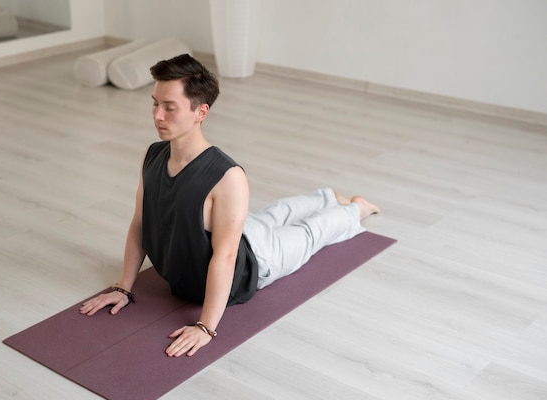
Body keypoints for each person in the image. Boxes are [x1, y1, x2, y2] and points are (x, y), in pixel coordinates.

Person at [79, 54, 379, 357]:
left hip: (257, 259)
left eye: (170, 107)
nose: (157, 115)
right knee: (273, 214)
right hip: (235, 231)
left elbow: (225, 256)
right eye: (155, 104)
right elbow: (140, 224)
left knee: (309, 232)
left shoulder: (228, 176)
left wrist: (206, 327)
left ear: (201, 111)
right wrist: (122, 288)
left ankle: (356, 208)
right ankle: (327, 195)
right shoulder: (152, 155)